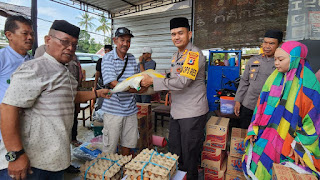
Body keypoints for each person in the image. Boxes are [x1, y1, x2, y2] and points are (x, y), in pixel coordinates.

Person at [0, 20, 111, 180]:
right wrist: (16, 154)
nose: (70, 48)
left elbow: (70, 96)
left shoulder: (64, 71)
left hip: (53, 161)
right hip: (31, 164)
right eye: (64, 42)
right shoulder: (35, 68)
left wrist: (97, 93)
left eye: (74, 44)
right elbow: (8, 108)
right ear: (48, 40)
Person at [141, 17, 209, 180]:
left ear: (189, 34)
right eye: (173, 34)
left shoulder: (194, 55)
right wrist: (150, 81)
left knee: (189, 155)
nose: (176, 37)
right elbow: (172, 77)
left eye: (180, 33)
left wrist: (153, 81)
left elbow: (183, 82)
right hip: (177, 111)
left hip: (192, 113)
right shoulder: (176, 56)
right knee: (175, 153)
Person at [243, 41, 320, 179]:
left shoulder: (309, 82)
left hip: (292, 140)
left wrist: (300, 145)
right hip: (269, 133)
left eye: (281, 59)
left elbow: (314, 119)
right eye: (275, 59)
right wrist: (254, 127)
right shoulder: (273, 78)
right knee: (260, 162)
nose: (276, 63)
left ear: (295, 58)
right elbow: (261, 105)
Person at [101, 27, 146, 155]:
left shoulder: (131, 58)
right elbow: (113, 83)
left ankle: (123, 167)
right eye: (122, 40)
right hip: (113, 110)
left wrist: (144, 84)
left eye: (128, 41)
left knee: (128, 143)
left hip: (130, 110)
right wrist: (136, 90)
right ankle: (109, 173)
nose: (125, 44)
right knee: (110, 146)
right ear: (115, 41)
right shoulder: (108, 58)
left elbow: (138, 80)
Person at [234, 30, 283, 129]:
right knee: (245, 133)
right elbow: (244, 82)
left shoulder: (281, 63)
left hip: (268, 109)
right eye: (265, 42)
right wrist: (238, 101)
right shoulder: (253, 60)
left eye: (271, 43)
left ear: (279, 45)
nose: (267, 46)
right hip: (248, 105)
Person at [93, 45, 113, 110]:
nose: (107, 52)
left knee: (110, 102)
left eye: (108, 51)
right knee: (99, 102)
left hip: (111, 86)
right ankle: (96, 116)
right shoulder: (100, 61)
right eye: (106, 50)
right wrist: (95, 86)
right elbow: (97, 74)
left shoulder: (114, 61)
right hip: (101, 85)